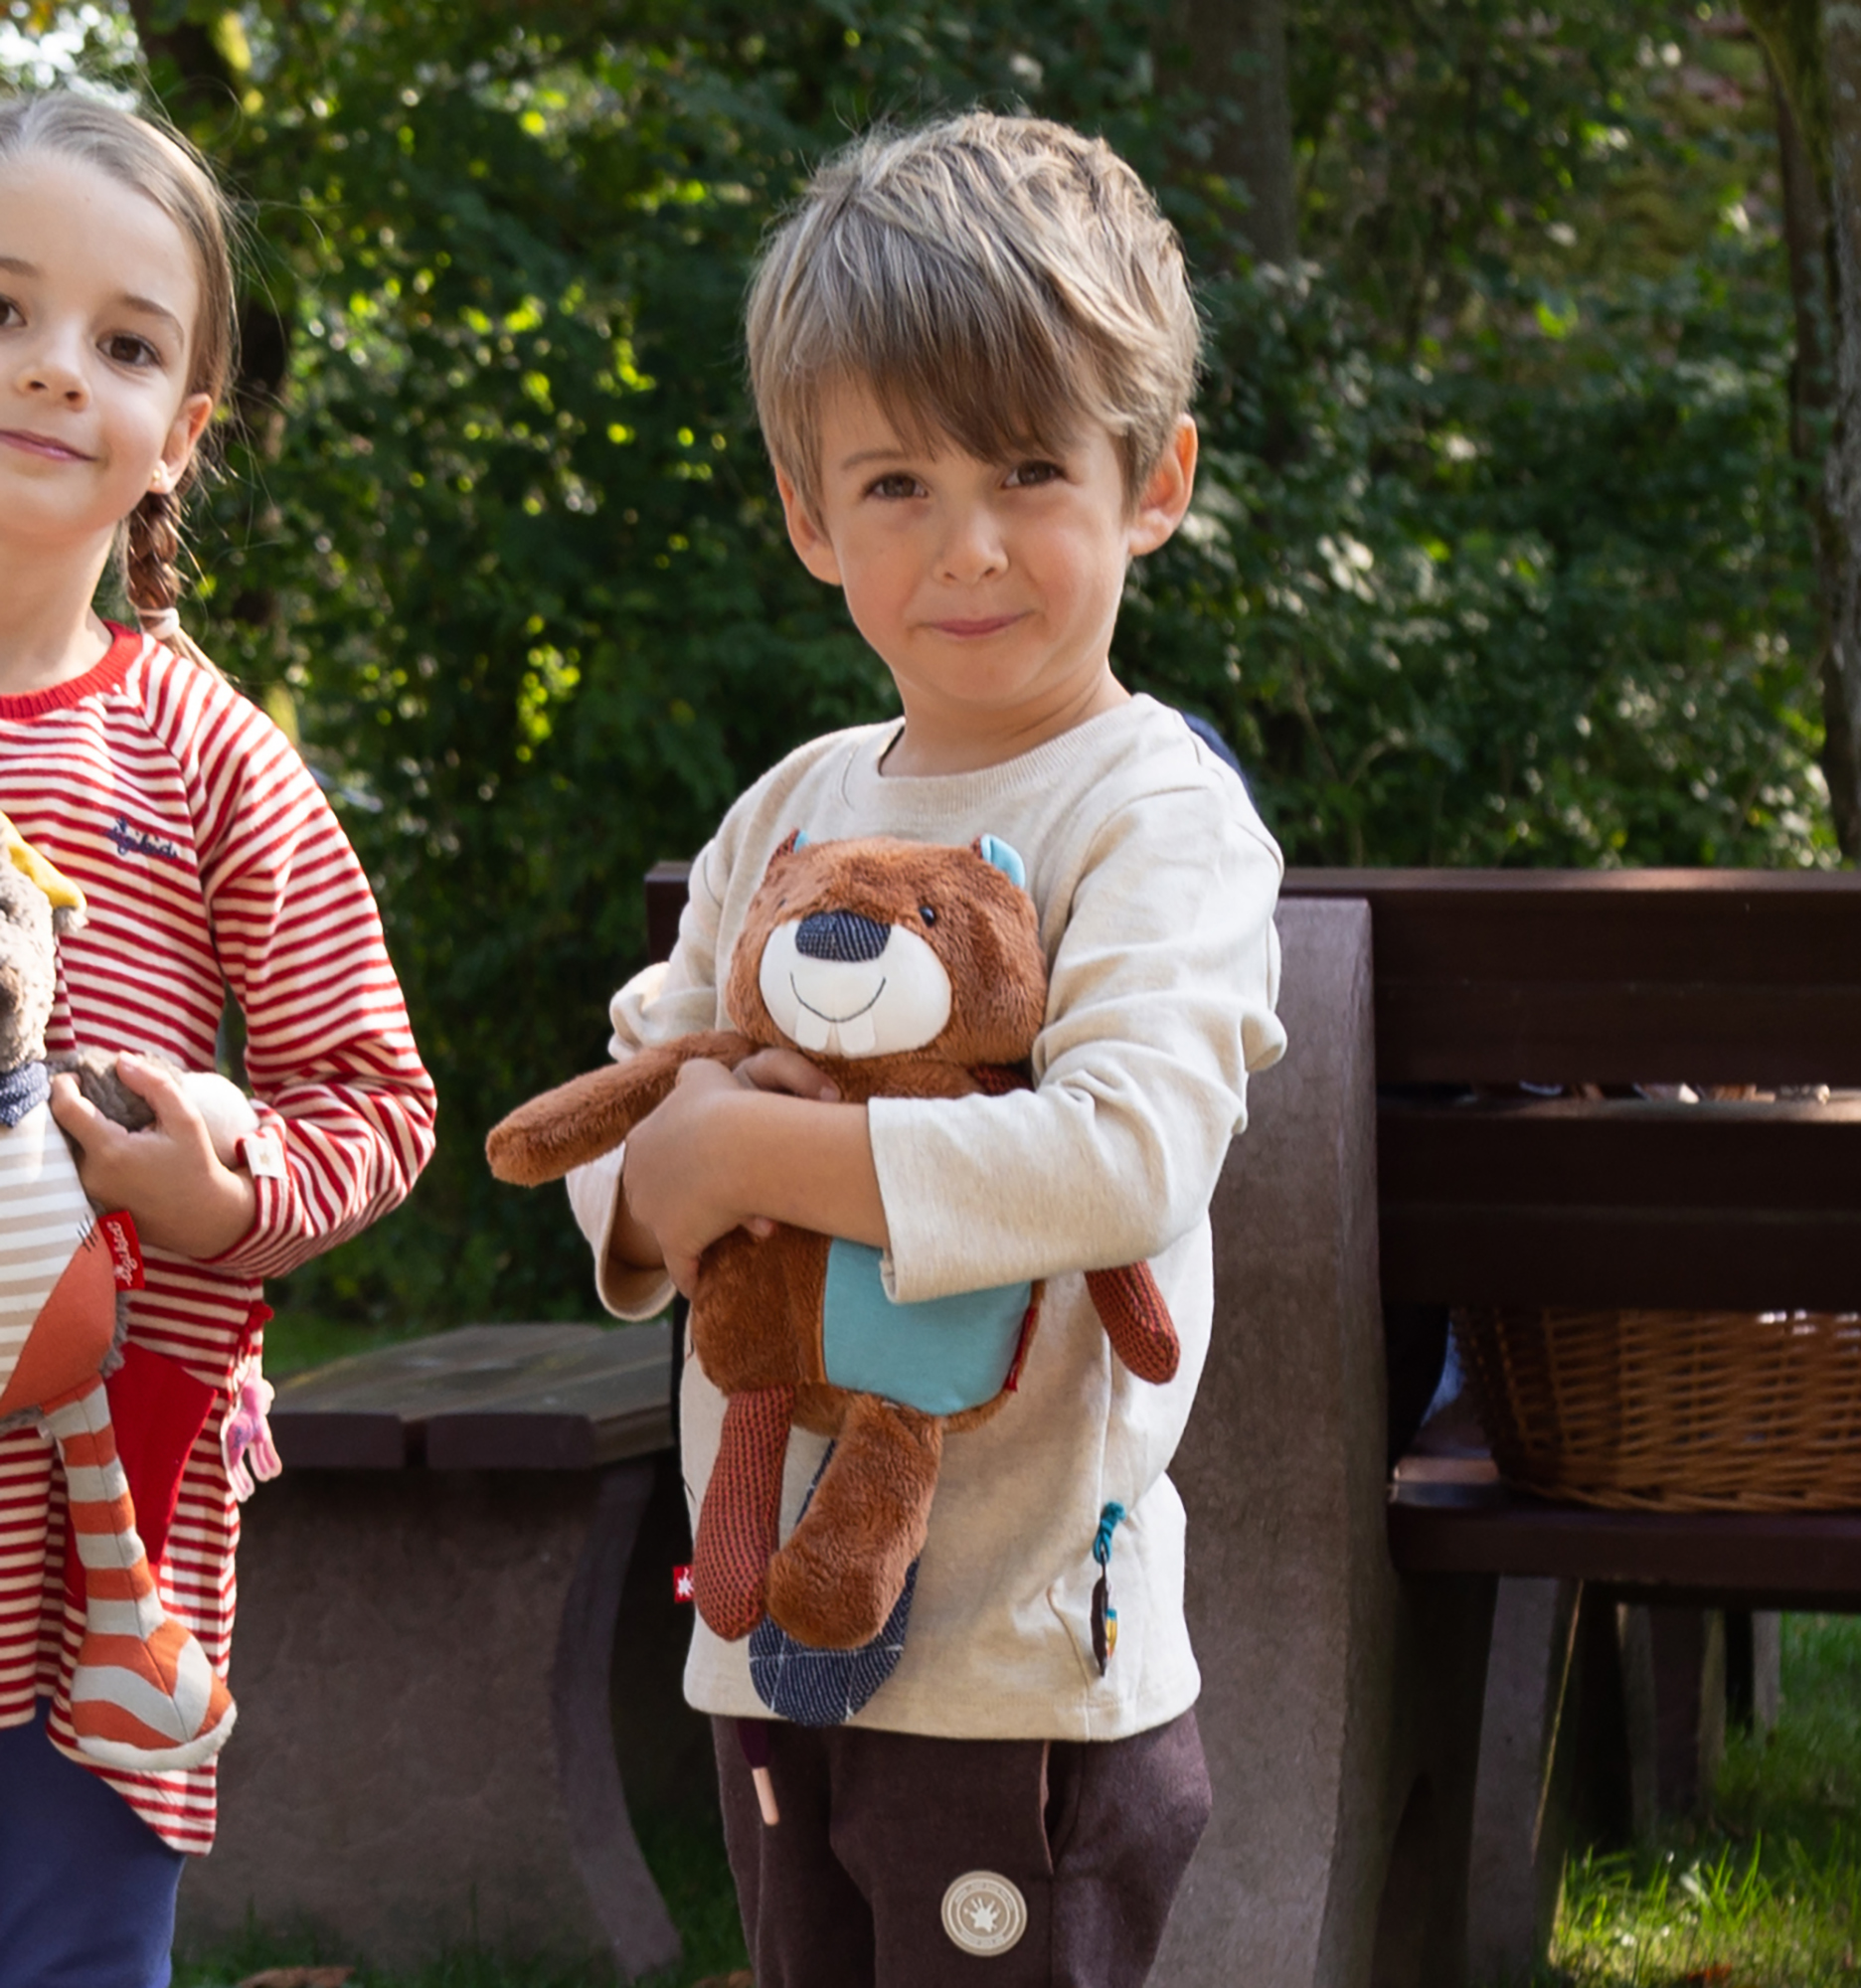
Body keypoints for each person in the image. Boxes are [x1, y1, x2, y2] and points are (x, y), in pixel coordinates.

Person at [567, 112, 1284, 1985]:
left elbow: (1123, 1155)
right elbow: (636, 1094)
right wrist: (664, 1170)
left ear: (1154, 478)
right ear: (810, 517)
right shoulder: (793, 807)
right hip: (764, 1640)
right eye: (895, 485)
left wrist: (742, 1159)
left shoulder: (1157, 815)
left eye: (1031, 468)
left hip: (1030, 1658)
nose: (966, 546)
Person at [0, 90, 435, 1985]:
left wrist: (219, 1187)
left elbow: (382, 1101)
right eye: (1, 310)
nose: (48, 371)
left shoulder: (208, 759)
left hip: (103, 1557)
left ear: (179, 437)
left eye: (119, 343)